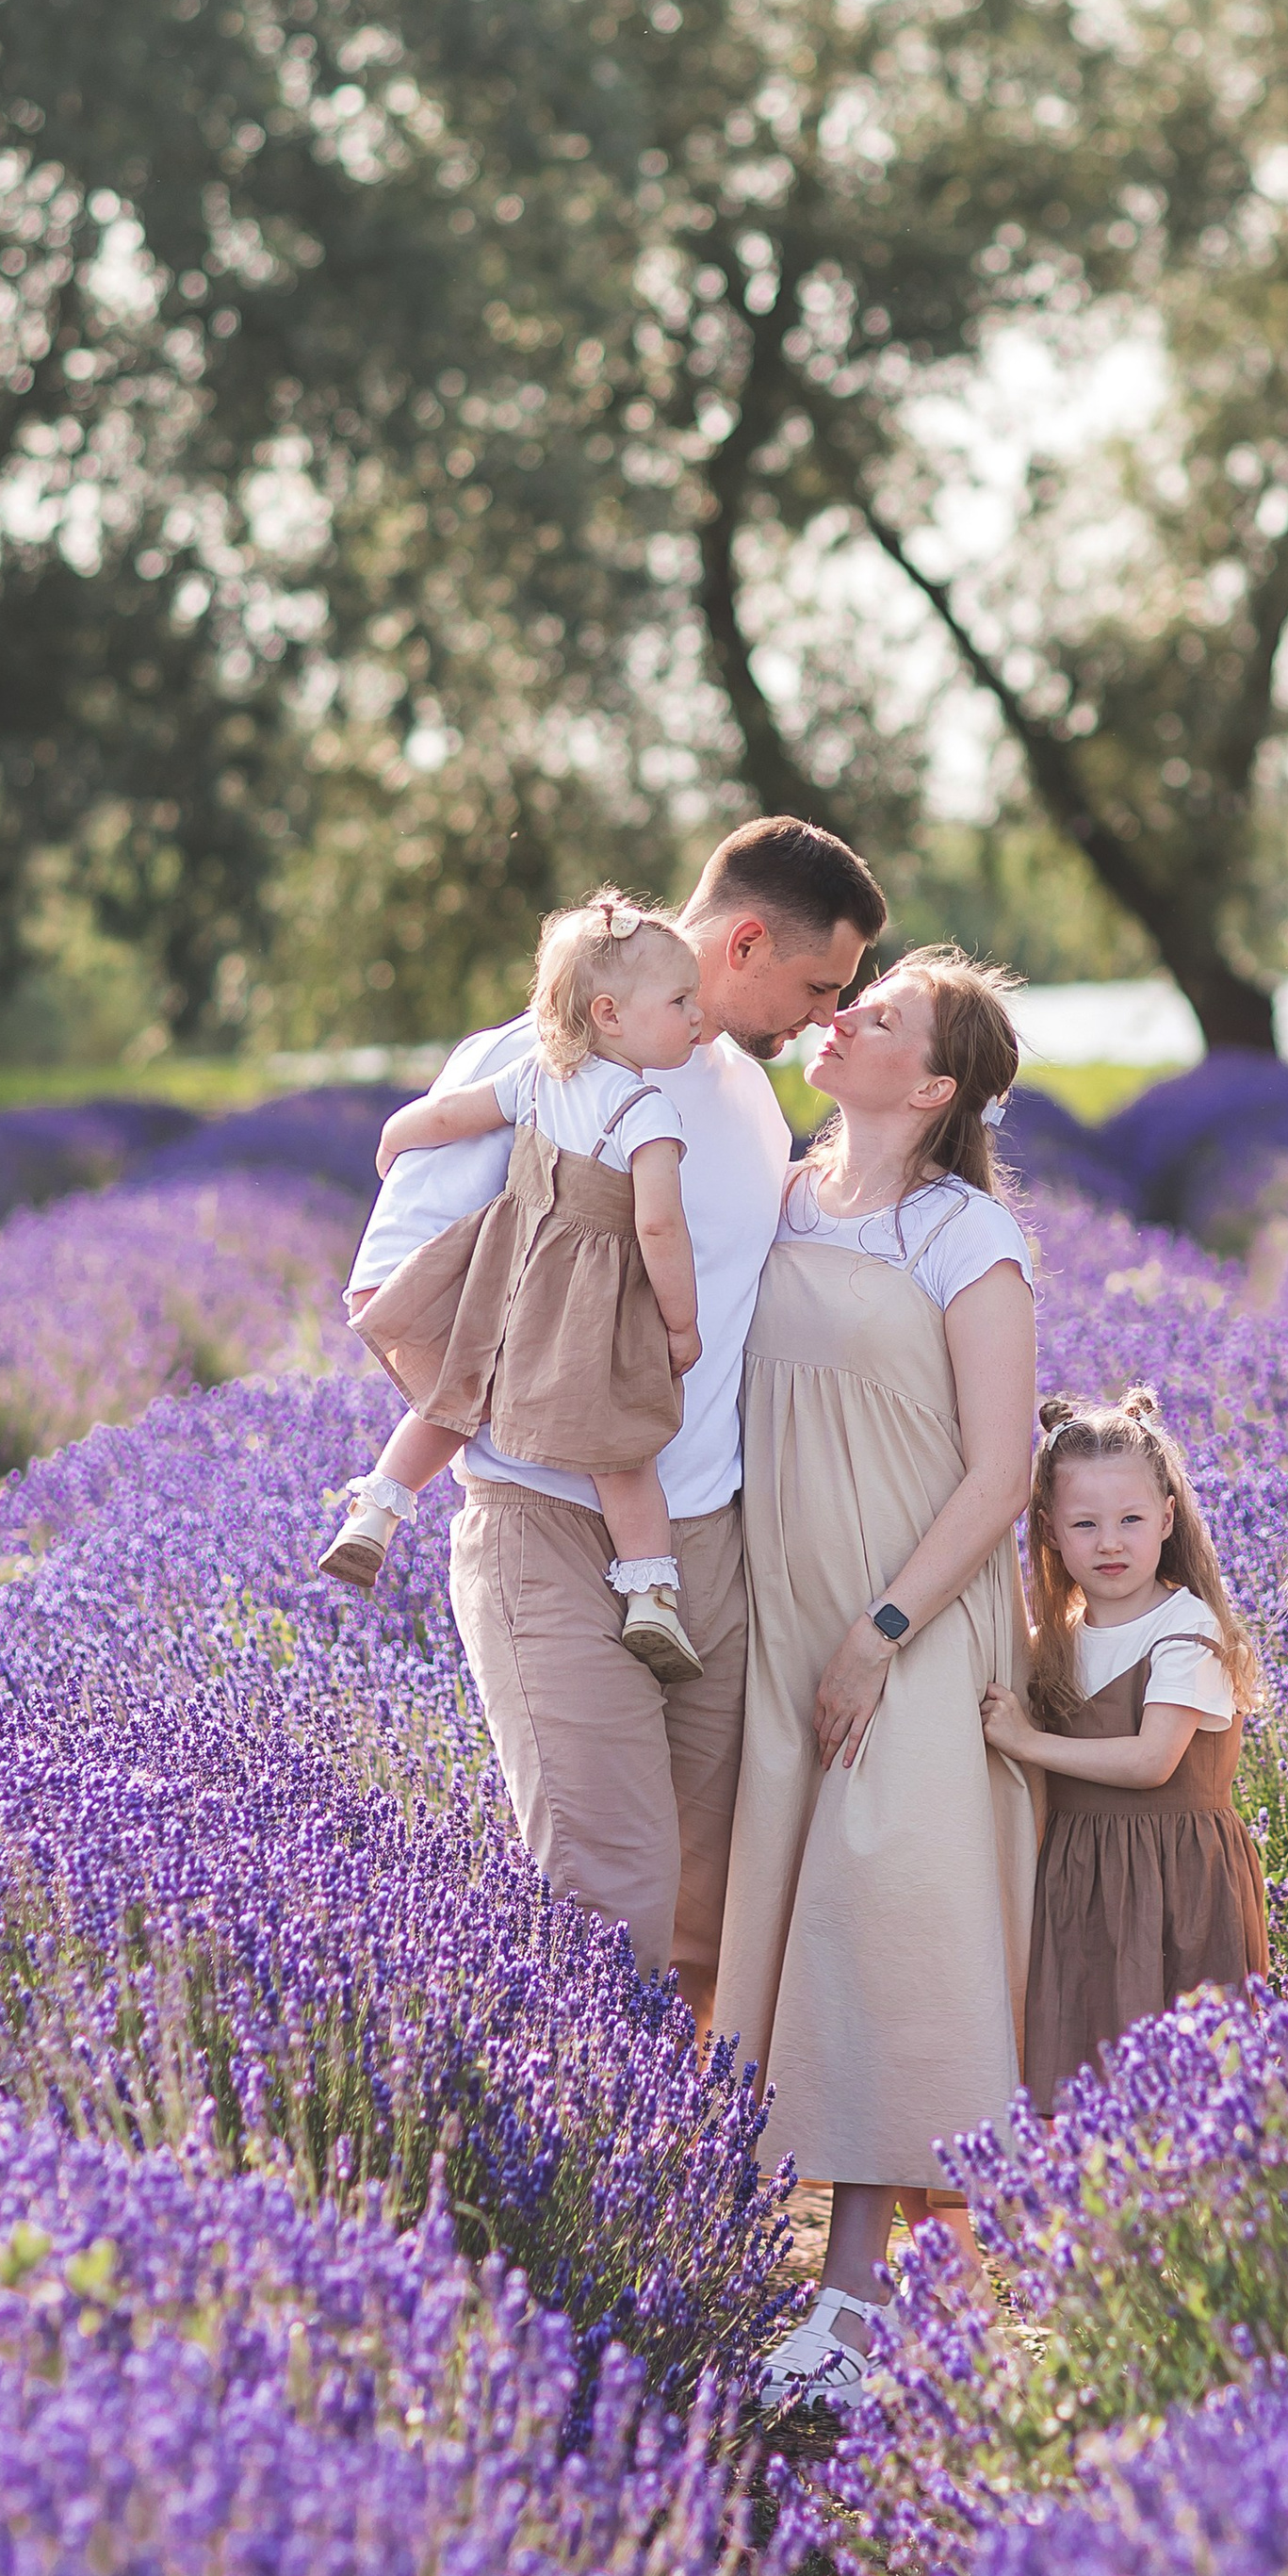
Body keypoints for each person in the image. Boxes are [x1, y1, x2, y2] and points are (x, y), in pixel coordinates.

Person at [339, 816, 886, 2014]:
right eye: (818, 984)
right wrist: (540, 1433)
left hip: (712, 1548)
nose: (824, 1018)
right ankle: (588, 2178)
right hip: (548, 1534)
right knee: (607, 1895)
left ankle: (679, 2188)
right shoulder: (529, 1060)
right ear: (745, 939)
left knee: (714, 1905)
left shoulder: (745, 1095)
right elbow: (386, 1298)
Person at [718, 945, 1039, 2413]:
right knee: (803, 1930)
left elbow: (1003, 1470)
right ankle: (923, 2296)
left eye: (885, 1013)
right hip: (782, 1615)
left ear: (937, 1083)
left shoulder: (964, 1235)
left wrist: (883, 1631)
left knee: (875, 1923)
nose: (845, 1018)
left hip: (908, 1627)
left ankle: (849, 2309)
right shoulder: (777, 1191)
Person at [320, 891, 707, 1680]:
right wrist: (681, 1324)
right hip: (587, 1298)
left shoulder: (536, 1077)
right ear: (610, 1013)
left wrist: (393, 1138)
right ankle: (651, 1597)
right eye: (680, 1002)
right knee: (622, 1446)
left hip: (507, 1274)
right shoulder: (646, 1112)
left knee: (458, 1397)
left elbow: (444, 1115)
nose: (698, 1016)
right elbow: (661, 1232)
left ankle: (378, 1507)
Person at [981, 1385, 1267, 2117]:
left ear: (1167, 1518)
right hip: (1081, 1878)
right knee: (1080, 2073)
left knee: (1184, 2090)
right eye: (1085, 1523)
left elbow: (1151, 1762)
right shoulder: (1055, 1642)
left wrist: (1026, 1740)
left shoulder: (1186, 1625)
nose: (1110, 1542)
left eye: (1132, 1520)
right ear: (1048, 1531)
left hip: (1175, 1883)